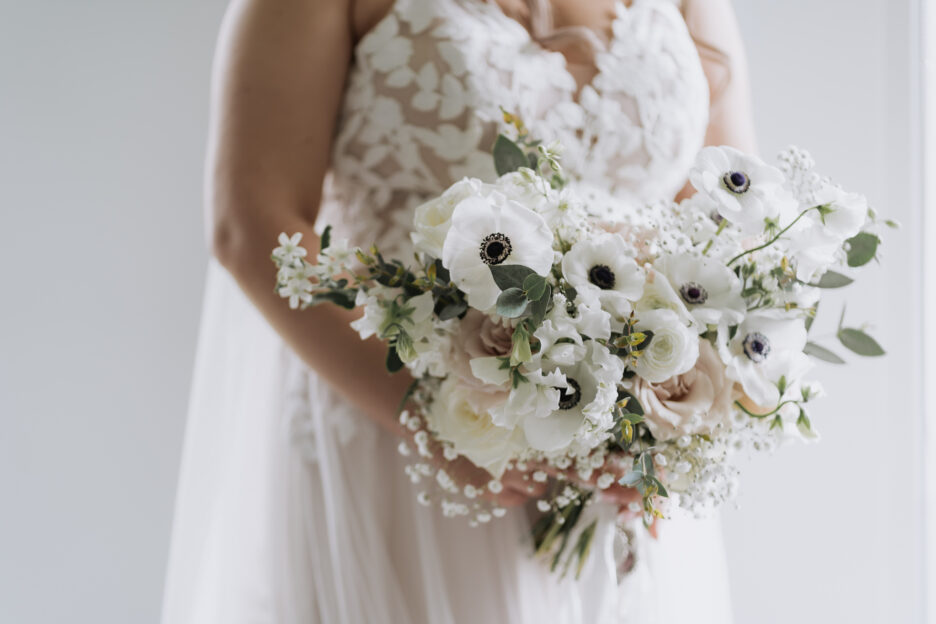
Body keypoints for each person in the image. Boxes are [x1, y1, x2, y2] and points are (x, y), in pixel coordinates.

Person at [162, 0, 757, 621]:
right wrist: (433, 419)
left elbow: (734, 222)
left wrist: (651, 422)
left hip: (621, 468)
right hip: (402, 431)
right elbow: (253, 224)